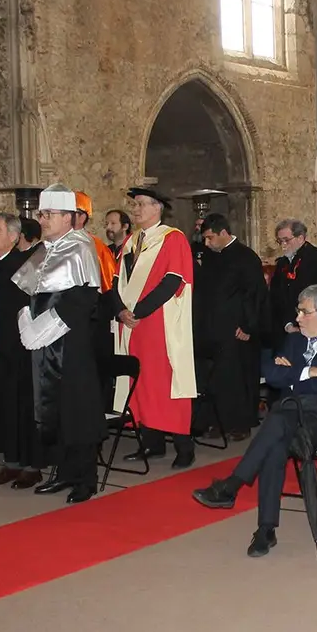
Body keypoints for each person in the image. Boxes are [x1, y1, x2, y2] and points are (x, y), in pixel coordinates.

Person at [191, 285, 317, 557]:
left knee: (276, 422)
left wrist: (293, 374)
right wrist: (308, 372)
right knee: (276, 440)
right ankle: (264, 528)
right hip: (288, 415)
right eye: (298, 311)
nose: (298, 318)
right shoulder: (295, 340)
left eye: (304, 312)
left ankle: (236, 492)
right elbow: (270, 374)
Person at [11, 184, 106, 503]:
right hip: (43, 342)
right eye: (42, 214)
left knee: (78, 410)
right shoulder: (44, 249)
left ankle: (85, 478)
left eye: (49, 214)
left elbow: (83, 298)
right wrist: (28, 320)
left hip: (71, 343)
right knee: (55, 410)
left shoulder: (80, 247)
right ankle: (62, 471)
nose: (43, 219)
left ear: (68, 217)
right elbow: (27, 290)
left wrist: (49, 327)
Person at [103, 187, 198, 468]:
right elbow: (115, 281)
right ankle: (152, 444)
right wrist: (120, 311)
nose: (136, 209)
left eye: (141, 204)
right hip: (132, 326)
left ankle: (184, 447)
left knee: (167, 383)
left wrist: (138, 311)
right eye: (135, 204)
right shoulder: (132, 241)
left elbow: (172, 282)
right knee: (140, 383)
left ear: (158, 208)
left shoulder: (172, 239)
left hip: (159, 324)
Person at [0, 214, 42, 489]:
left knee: (22, 408)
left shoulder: (20, 267)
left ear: (14, 237)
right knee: (4, 410)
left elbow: (19, 314)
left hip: (16, 351)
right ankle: (11, 463)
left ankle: (31, 466)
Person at [192, 212, 267, 440]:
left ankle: (239, 424)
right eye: (204, 238)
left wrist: (248, 327)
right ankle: (216, 421)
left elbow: (255, 295)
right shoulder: (211, 255)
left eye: (210, 238)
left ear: (224, 233)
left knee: (236, 377)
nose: (207, 243)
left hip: (236, 330)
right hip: (210, 328)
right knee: (214, 377)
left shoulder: (246, 257)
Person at [267, 219, 317, 349]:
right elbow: (275, 296)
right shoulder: (282, 263)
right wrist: (287, 323)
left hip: (312, 327)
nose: (283, 245)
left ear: (300, 238)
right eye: (280, 241)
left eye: (286, 240)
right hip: (285, 327)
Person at [73, 191, 117, 291]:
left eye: (69, 213)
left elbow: (108, 286)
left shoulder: (98, 248)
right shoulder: (56, 244)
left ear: (82, 217)